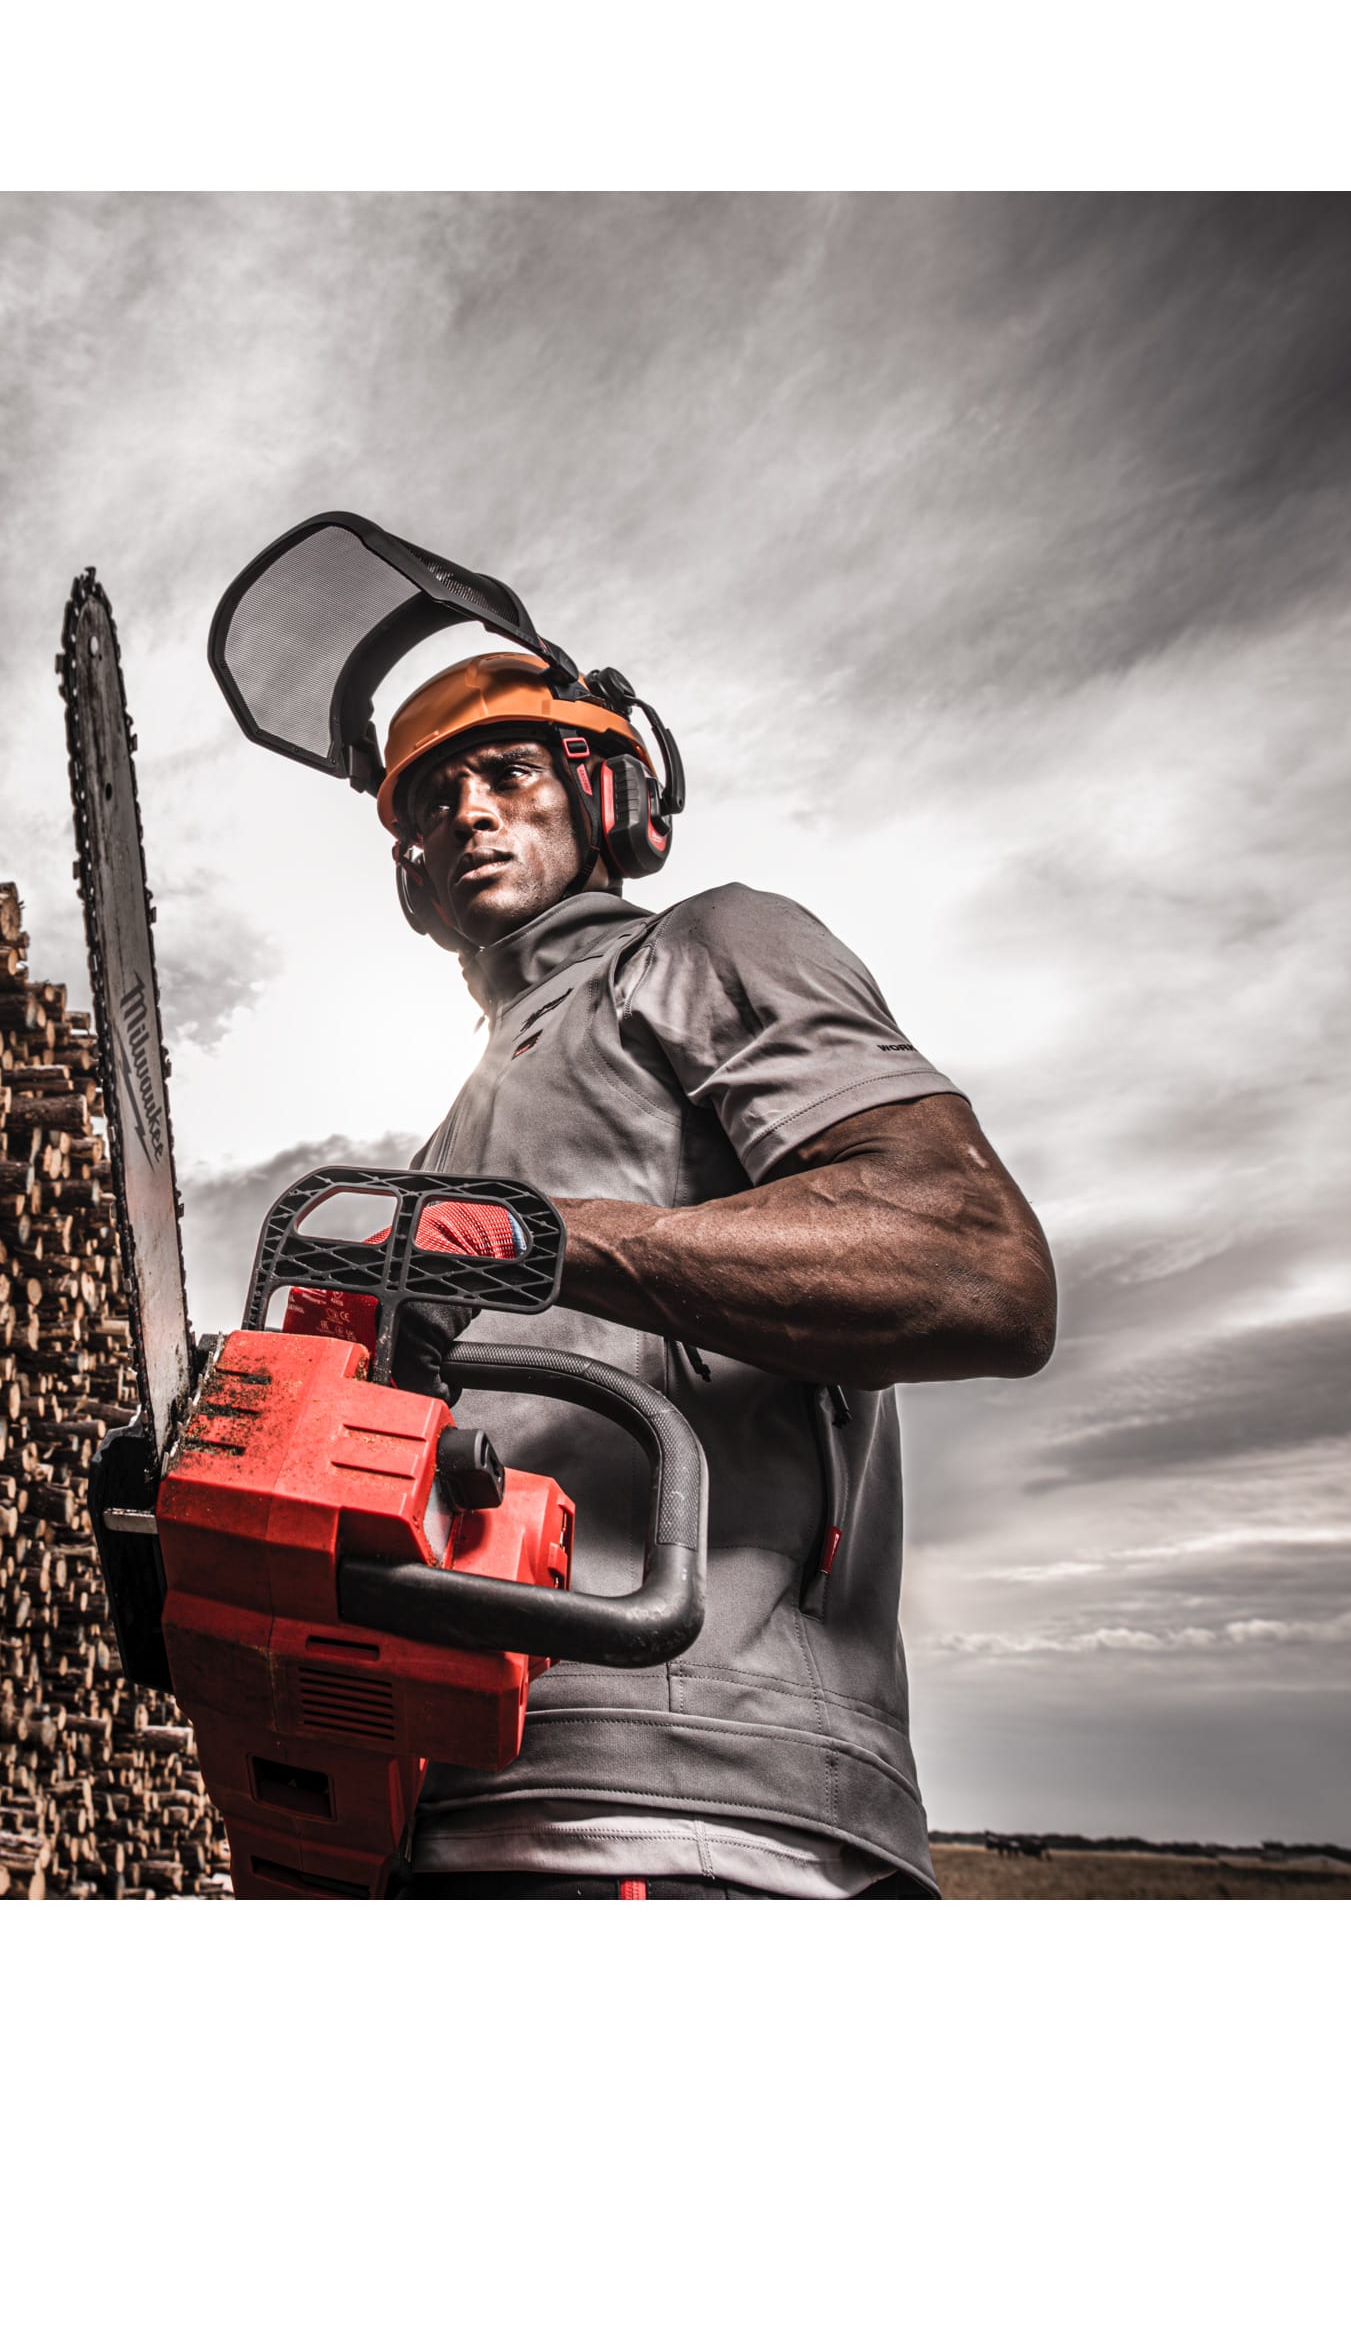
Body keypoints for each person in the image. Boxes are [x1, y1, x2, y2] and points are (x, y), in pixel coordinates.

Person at [379, 649, 1056, 1898]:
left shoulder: (705, 948)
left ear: (610, 795)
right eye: (430, 800)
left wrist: (529, 1237)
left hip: (692, 1805)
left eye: (509, 772)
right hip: (446, 1788)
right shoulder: (455, 1128)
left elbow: (974, 1260)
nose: (466, 812)